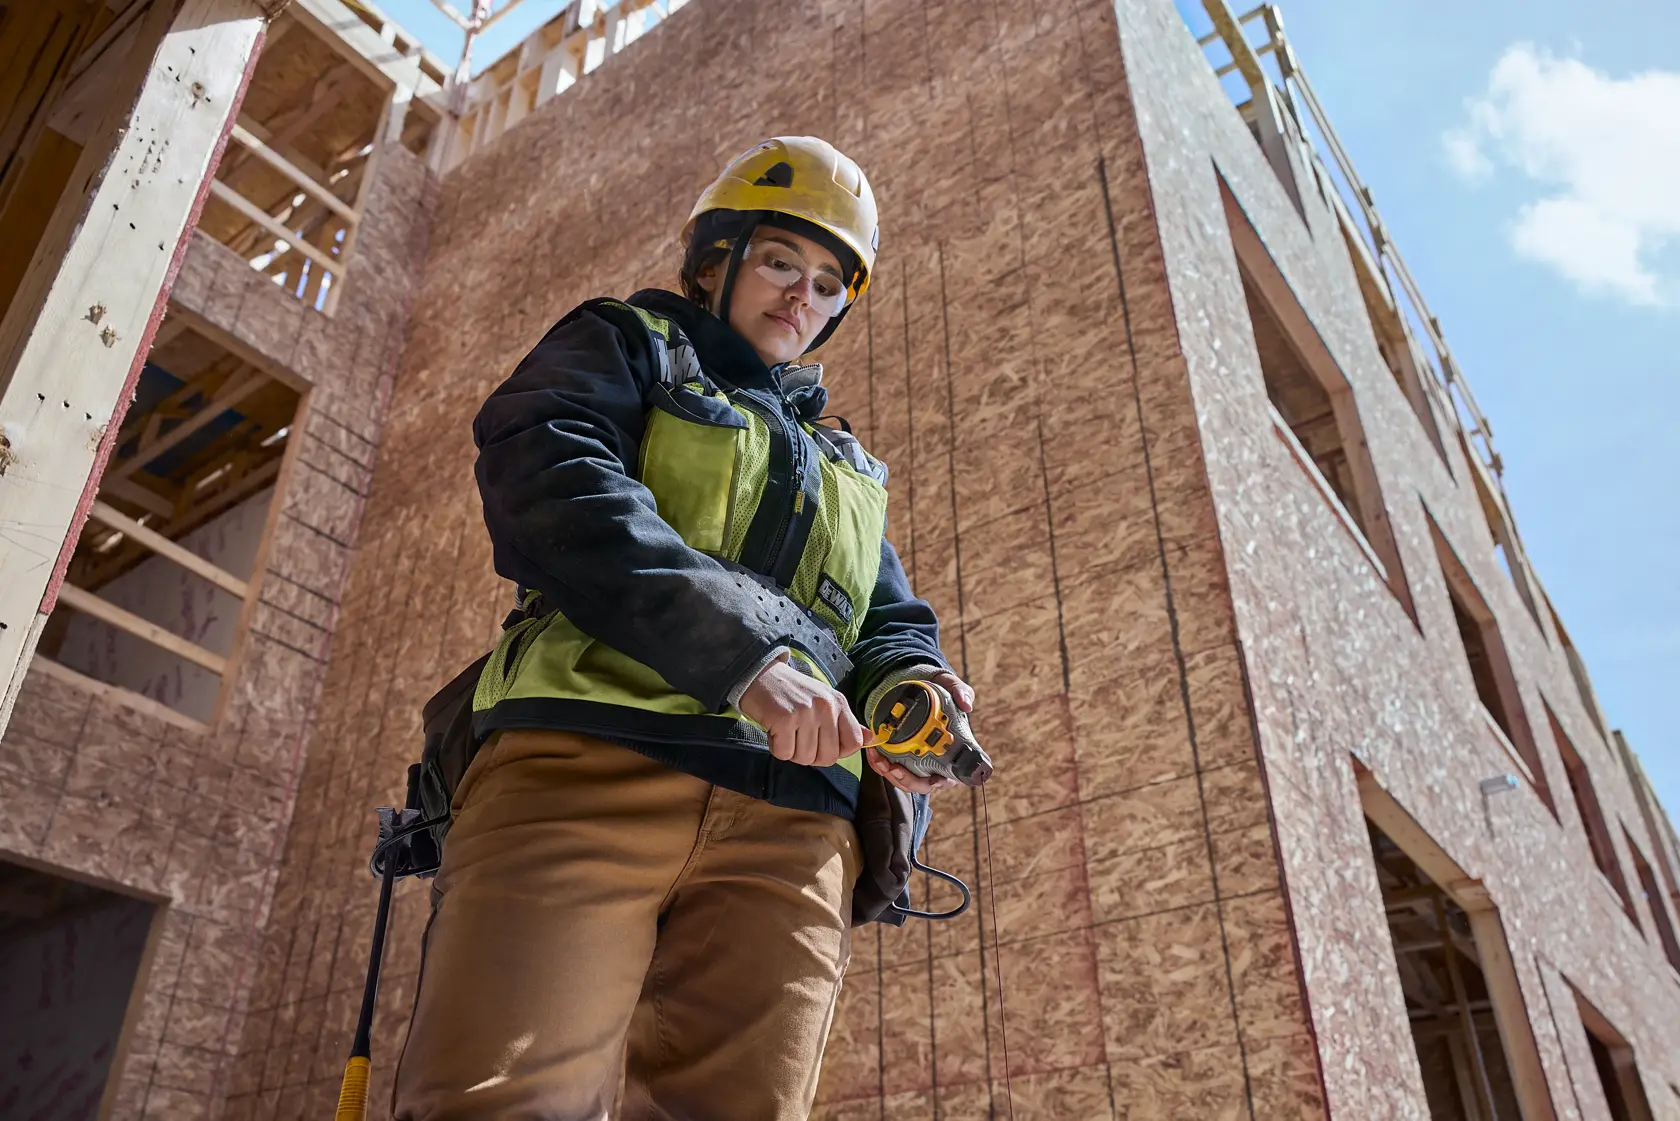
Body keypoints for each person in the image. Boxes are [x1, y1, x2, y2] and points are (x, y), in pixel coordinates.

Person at [391, 137, 975, 1121]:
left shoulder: (847, 467)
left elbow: (887, 621)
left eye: (830, 282)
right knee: (497, 1098)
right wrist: (745, 660)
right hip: (587, 759)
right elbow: (553, 479)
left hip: (797, 824)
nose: (803, 294)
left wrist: (911, 688)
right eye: (782, 259)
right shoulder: (627, 345)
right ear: (718, 256)